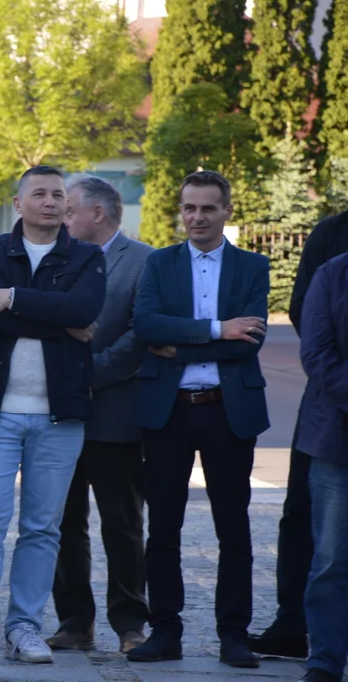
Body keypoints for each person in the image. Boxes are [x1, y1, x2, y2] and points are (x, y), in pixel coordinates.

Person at [0, 165, 106, 665]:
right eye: (40, 193)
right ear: (18, 204)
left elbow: (82, 310)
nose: (51, 201)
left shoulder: (88, 256)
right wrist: (59, 317)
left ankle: (25, 628)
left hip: (60, 416)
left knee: (42, 527)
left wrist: (12, 300)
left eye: (58, 194)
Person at [127, 171, 269, 669]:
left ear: (227, 210)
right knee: (162, 527)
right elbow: (145, 324)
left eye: (208, 208)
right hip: (169, 413)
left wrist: (177, 344)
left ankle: (234, 635)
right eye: (189, 208)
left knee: (234, 529)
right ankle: (166, 631)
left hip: (228, 411)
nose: (197, 218)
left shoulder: (253, 265)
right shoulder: (160, 263)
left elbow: (249, 339)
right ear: (180, 210)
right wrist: (216, 330)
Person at [47, 175, 152, 654]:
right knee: (62, 523)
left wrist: (88, 372)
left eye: (70, 211)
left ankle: (130, 622)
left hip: (115, 414)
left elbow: (140, 333)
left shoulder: (145, 261)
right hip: (60, 416)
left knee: (122, 523)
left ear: (100, 214)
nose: (62, 218)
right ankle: (74, 621)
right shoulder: (55, 258)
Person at [249, 207, 348, 659]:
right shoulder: (332, 236)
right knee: (303, 517)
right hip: (331, 411)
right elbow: (308, 317)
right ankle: (294, 624)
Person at [296, 251, 348, 682]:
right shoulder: (333, 275)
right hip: (338, 440)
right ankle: (326, 661)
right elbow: (316, 353)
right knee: (331, 559)